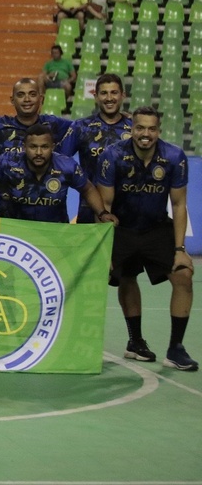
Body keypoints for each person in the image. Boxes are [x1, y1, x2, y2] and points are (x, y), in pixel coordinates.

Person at [96, 107, 195, 371]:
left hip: (156, 228)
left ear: (158, 131)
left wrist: (180, 249)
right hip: (121, 228)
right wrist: (105, 250)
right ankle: (135, 341)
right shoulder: (112, 156)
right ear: (132, 128)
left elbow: (179, 205)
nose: (145, 134)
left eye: (151, 129)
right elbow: (104, 206)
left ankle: (176, 348)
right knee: (126, 278)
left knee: (184, 275)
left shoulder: (174, 156)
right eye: (140, 128)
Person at [0, 123, 106, 223]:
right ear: (24, 147)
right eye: (33, 147)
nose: (39, 152)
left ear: (52, 147)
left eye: (44, 147)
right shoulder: (8, 162)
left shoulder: (68, 166)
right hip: (14, 233)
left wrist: (102, 213)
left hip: (54, 234)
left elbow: (88, 189)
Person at [60, 73, 131, 224]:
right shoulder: (81, 127)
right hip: (90, 211)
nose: (109, 98)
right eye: (104, 93)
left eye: (114, 92)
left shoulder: (134, 128)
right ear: (96, 96)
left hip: (129, 211)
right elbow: (59, 161)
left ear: (123, 95)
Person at [0, 77, 75, 157]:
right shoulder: (0, 124)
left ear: (41, 99)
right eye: (21, 95)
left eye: (32, 94)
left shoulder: (54, 123)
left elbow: (83, 128)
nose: (27, 99)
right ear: (12, 100)